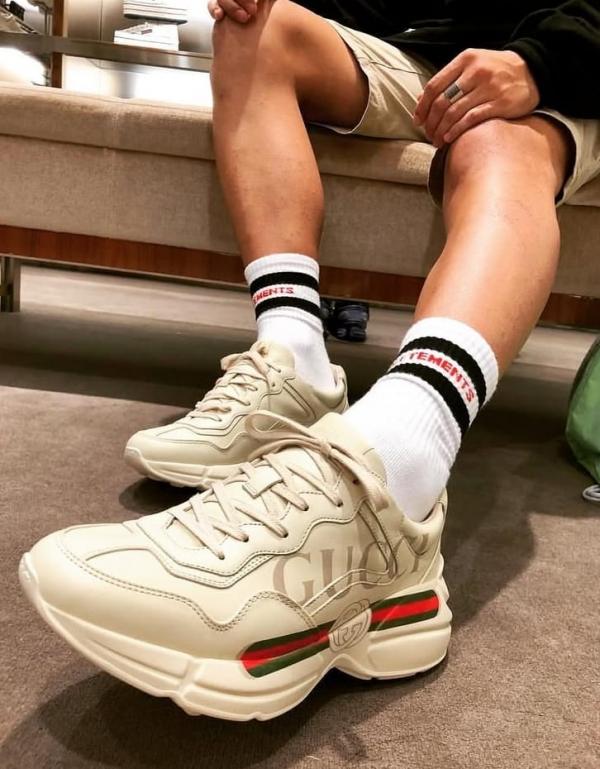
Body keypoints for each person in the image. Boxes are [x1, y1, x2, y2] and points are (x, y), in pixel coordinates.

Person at [19, 1, 600, 720]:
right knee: (254, 29)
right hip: (419, 47)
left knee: (497, 139)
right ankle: (296, 361)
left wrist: (543, 62)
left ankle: (394, 479)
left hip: (563, 62)